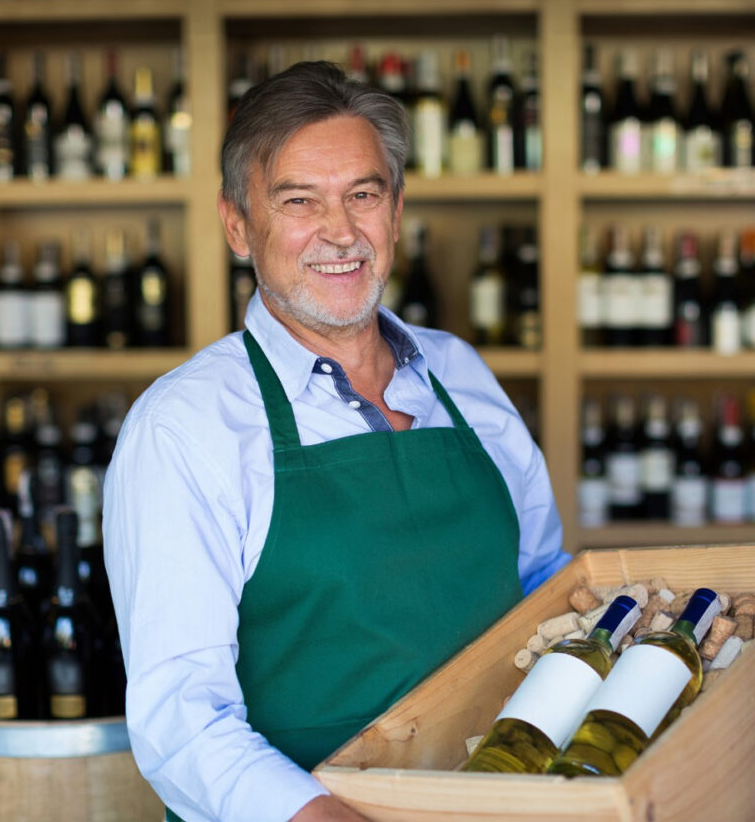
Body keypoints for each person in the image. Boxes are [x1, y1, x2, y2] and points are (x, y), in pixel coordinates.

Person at [103, 61, 570, 822]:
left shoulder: (461, 372)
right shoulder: (185, 428)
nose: (341, 232)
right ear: (236, 224)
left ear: (395, 210)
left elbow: (546, 588)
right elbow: (180, 722)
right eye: (299, 201)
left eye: (363, 194)